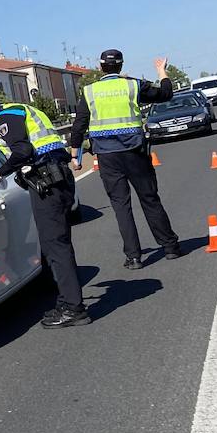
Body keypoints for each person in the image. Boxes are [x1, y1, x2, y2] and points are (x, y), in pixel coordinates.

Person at [0, 91, 89, 328]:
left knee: (54, 245)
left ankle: (74, 308)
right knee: (60, 243)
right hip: (59, 177)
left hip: (47, 182)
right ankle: (69, 301)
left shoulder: (2, 118)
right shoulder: (21, 109)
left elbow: (23, 151)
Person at [67, 49, 181, 269]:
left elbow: (78, 126)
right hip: (134, 151)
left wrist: (75, 156)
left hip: (107, 156)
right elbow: (166, 94)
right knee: (149, 198)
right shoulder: (133, 85)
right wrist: (161, 70)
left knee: (121, 205)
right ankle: (170, 247)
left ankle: (134, 257)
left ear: (101, 67)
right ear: (121, 66)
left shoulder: (89, 92)